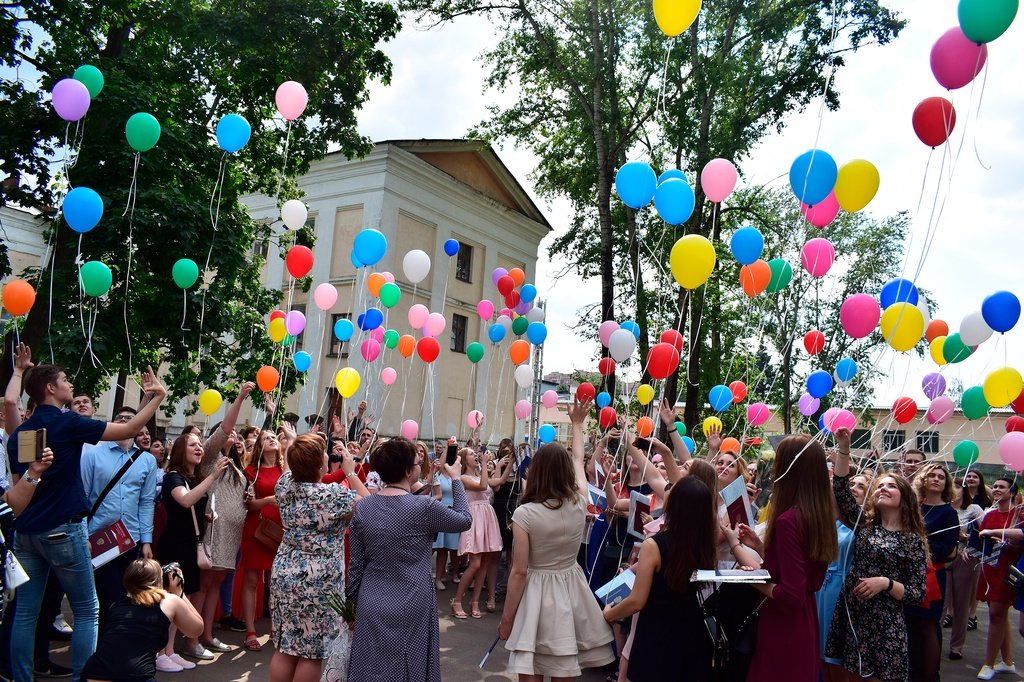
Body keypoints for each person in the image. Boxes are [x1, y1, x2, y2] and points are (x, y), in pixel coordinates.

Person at [6, 363, 167, 681]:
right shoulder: (68, 423)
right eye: (65, 380)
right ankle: (83, 677)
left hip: (26, 533)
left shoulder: (20, 434)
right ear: (51, 389)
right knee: (87, 609)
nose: (70, 384)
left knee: (25, 612)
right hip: (63, 530)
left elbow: (16, 496)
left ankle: (21, 677)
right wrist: (156, 398)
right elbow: (128, 431)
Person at [498, 398, 615, 680]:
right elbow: (578, 461)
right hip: (571, 587)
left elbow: (519, 571)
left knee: (531, 666)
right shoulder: (579, 501)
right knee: (565, 665)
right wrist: (577, 425)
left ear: (535, 471)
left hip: (537, 592)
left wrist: (507, 619)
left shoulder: (525, 514)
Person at [346, 438, 471, 681]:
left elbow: (356, 565)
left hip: (371, 598)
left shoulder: (363, 507)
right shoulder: (424, 507)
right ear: (407, 471)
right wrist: (456, 479)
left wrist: (352, 605)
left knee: (370, 666)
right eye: (416, 463)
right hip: (412, 598)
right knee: (409, 666)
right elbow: (464, 520)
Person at [824, 427, 928, 682]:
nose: (883, 488)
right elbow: (841, 490)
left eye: (891, 486)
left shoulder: (912, 540)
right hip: (853, 615)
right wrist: (844, 449)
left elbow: (917, 593)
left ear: (905, 497)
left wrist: (885, 583)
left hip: (884, 624)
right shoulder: (865, 526)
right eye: (880, 485)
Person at [739, 435, 838, 682]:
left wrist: (748, 580)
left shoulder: (788, 521)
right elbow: (800, 572)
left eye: (778, 462)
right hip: (805, 623)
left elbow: (791, 595)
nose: (773, 470)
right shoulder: (818, 516)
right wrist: (761, 547)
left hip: (783, 628)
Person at [601, 476, 718, 681]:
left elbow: (637, 600)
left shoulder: (655, 545)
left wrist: (609, 614)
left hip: (656, 632)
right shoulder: (705, 545)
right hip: (691, 632)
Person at [270, 433, 358, 682]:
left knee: (286, 646)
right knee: (311, 652)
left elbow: (288, 469)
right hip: (320, 580)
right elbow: (373, 506)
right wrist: (350, 472)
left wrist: (292, 441)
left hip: (285, 573)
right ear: (320, 463)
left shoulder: (284, 486)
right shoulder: (333, 495)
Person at [155, 429, 230, 670]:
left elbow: (190, 508)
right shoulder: (173, 478)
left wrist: (204, 517)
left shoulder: (193, 478)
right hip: (174, 547)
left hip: (188, 546)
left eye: (200, 445)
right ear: (180, 451)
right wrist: (214, 475)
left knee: (180, 600)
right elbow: (185, 500)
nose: (199, 448)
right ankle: (158, 653)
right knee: (169, 600)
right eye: (193, 445)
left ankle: (169, 650)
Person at [81, 405, 159, 631]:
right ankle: (104, 643)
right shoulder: (94, 454)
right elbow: (82, 497)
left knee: (128, 596)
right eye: (120, 417)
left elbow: (146, 502)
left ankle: (118, 641)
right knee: (107, 597)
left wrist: (146, 540)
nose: (125, 420)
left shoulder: (147, 460)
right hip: (99, 538)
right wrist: (83, 535)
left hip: (130, 539)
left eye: (130, 418)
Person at [194, 384, 254, 650]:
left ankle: (207, 634)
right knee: (204, 584)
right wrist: (240, 397)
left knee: (216, 584)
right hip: (213, 531)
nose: (234, 436)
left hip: (231, 535)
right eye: (228, 434)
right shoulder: (209, 458)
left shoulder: (236, 466)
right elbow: (227, 427)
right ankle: (192, 637)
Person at [81, 559, 204, 682]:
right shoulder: (170, 601)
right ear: (158, 581)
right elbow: (196, 630)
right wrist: (179, 592)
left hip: (94, 672)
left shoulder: (116, 606)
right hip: (135, 675)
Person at [905, 463, 958, 682]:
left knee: (928, 626)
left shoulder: (949, 513)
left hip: (932, 576)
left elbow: (948, 549)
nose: (936, 479)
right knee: (909, 624)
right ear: (923, 480)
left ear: (946, 484)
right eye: (932, 475)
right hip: (907, 574)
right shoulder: (912, 507)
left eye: (941, 477)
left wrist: (916, 546)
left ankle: (929, 677)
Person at [239, 427, 291, 651]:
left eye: (273, 437)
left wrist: (291, 438)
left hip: (280, 528)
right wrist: (268, 500)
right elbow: (248, 504)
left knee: (276, 582)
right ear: (259, 445)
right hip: (256, 528)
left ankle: (275, 629)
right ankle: (250, 631)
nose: (271, 439)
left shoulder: (284, 467)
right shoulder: (251, 471)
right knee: (251, 580)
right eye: (265, 438)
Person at [818, 472, 870, 680]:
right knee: (820, 649)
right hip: (822, 586)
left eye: (861, 486)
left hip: (842, 587)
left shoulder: (864, 524)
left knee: (835, 654)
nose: (854, 488)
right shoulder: (831, 520)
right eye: (851, 484)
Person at [975, 477, 1023, 679]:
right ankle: (1007, 661)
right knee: (999, 615)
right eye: (994, 486)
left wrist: (1006, 544)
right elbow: (980, 539)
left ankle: (988, 664)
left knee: (996, 613)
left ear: (1012, 492)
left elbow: (1020, 542)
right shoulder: (990, 514)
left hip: (1009, 570)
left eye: (1001, 487)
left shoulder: (1019, 514)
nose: (996, 489)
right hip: (990, 569)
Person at [451, 447, 504, 619]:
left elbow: (499, 482)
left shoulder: (482, 474)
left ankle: (474, 602)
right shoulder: (464, 478)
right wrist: (484, 463)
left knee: (485, 563)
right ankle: (457, 601)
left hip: (487, 517)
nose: (476, 455)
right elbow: (482, 486)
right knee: (475, 563)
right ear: (464, 460)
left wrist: (504, 464)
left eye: (476, 453)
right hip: (475, 518)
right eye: (472, 454)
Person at [947, 482, 984, 660]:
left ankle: (956, 647)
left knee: (961, 603)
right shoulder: (943, 508)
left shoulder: (974, 509)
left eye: (957, 486)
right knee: (941, 603)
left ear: (964, 490)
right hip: (944, 558)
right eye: (951, 486)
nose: (954, 490)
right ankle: (934, 644)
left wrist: (968, 541)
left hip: (965, 559)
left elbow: (985, 533)